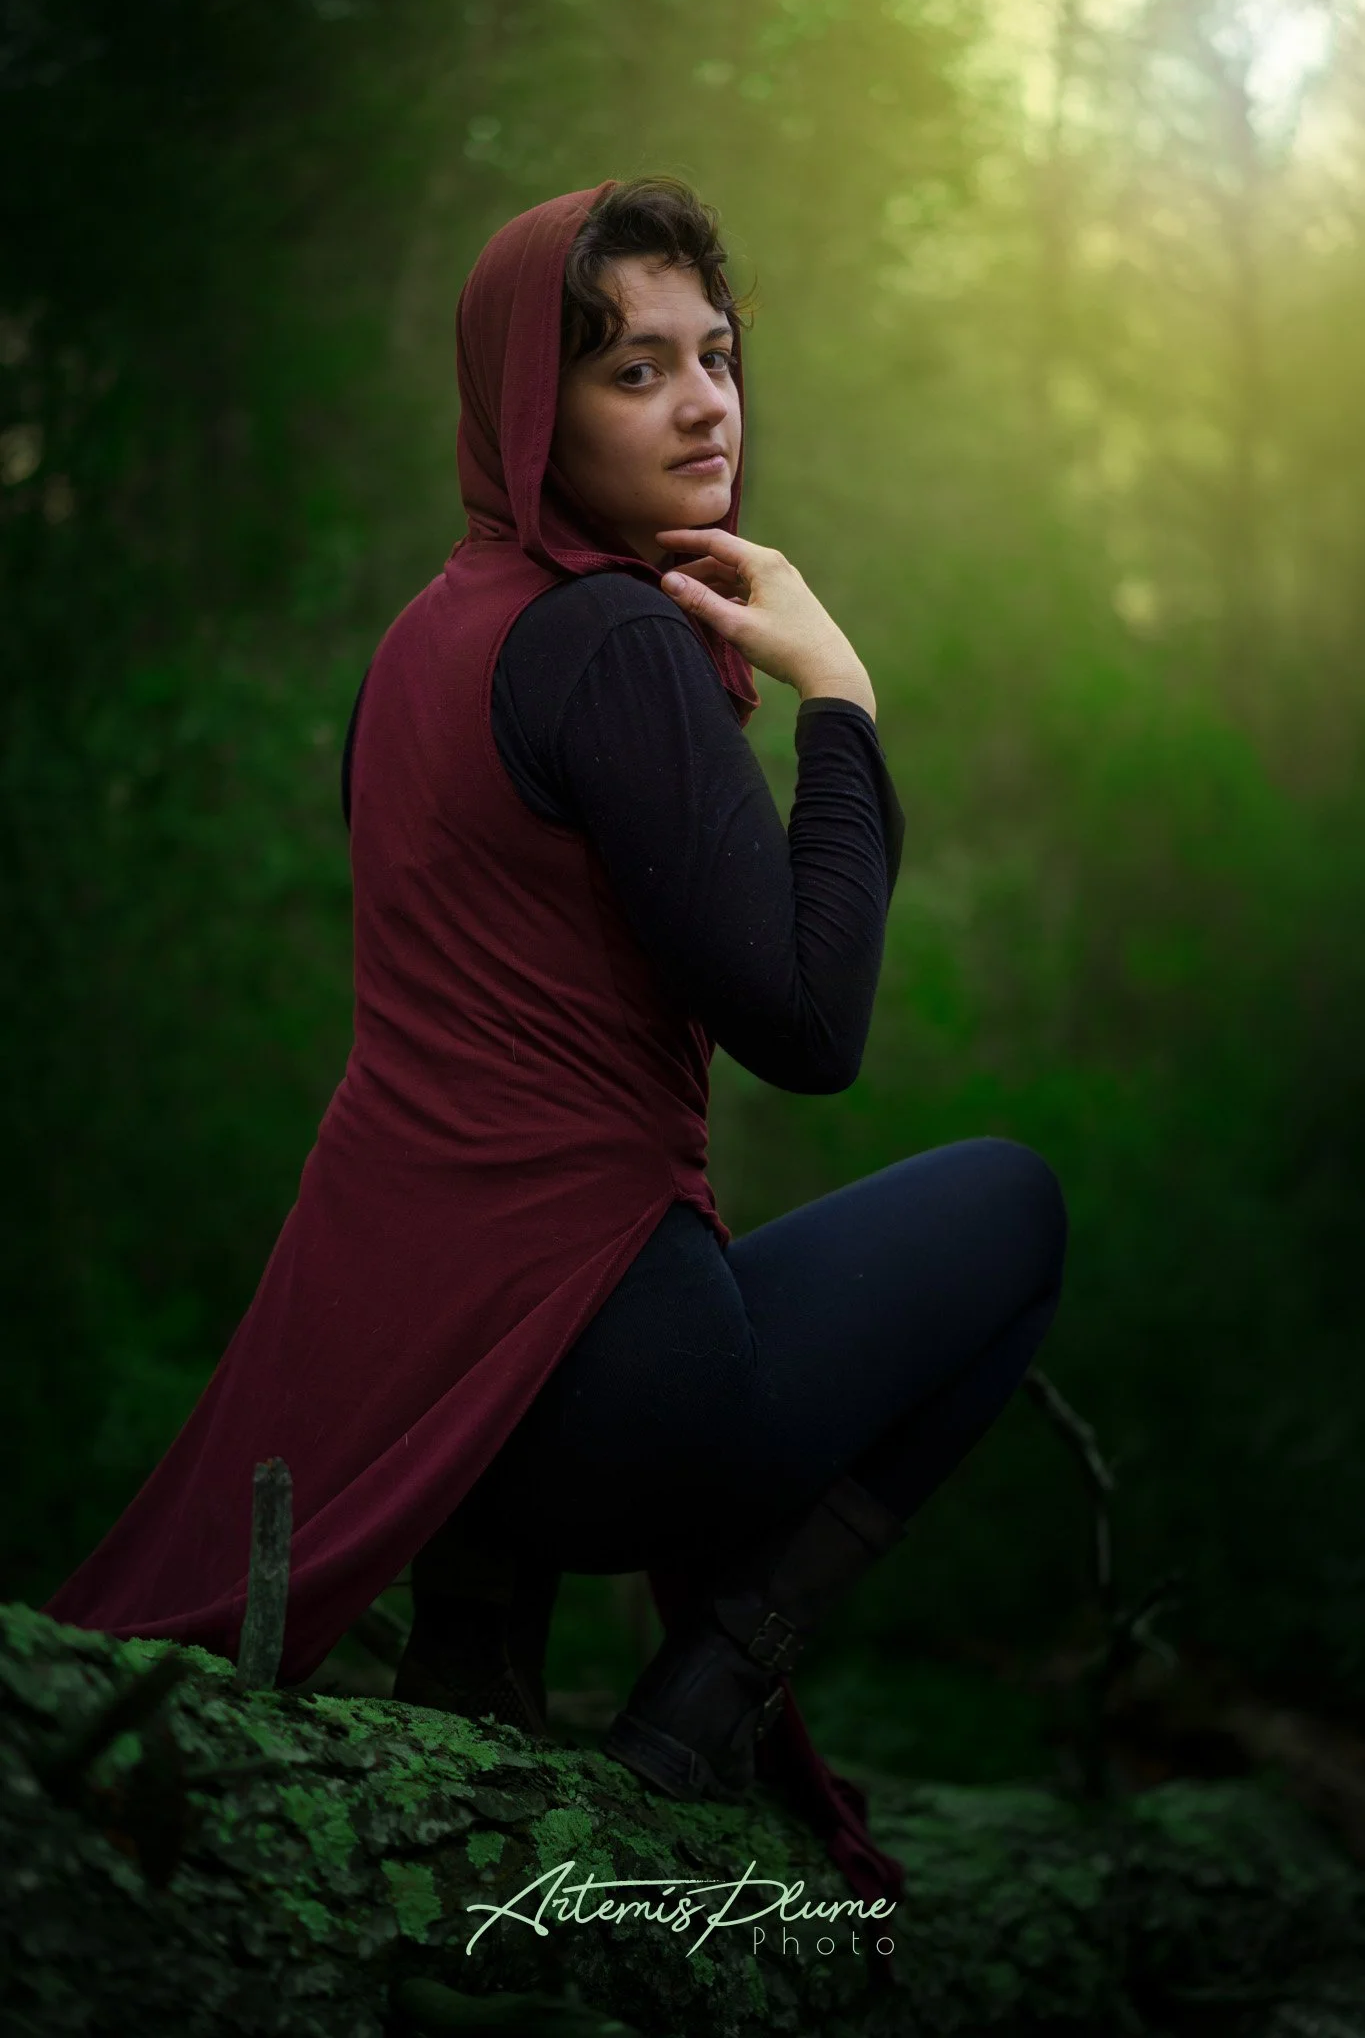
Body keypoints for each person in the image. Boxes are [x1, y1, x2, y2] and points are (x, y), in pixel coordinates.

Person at [42, 177, 1068, 1920]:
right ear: (535, 407)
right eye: (633, 369)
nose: (703, 402)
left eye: (718, 357)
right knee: (1015, 1209)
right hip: (616, 1399)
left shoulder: (422, 641)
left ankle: (483, 1654)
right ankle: (705, 1695)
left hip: (442, 1404)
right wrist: (844, 705)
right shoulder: (606, 643)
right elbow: (812, 1029)